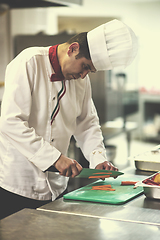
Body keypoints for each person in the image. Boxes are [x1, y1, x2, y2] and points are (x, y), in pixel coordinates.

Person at [0, 19, 138, 219]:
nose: (83, 75)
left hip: (56, 188)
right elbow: (10, 123)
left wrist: (98, 158)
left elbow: (87, 123)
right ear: (73, 49)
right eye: (84, 66)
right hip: (17, 185)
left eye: (89, 71)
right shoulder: (29, 62)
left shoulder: (82, 81)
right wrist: (55, 158)